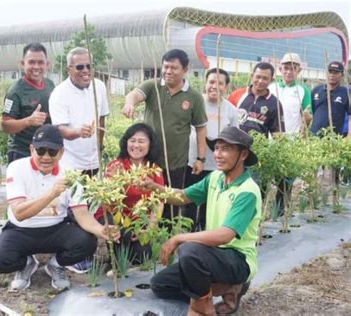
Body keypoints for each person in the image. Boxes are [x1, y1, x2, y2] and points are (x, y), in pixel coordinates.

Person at [141, 126, 262, 315]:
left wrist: (179, 238)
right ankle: (227, 289)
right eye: (217, 149)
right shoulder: (215, 178)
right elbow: (181, 197)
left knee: (189, 250)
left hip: (238, 259)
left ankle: (203, 306)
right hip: (212, 255)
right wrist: (153, 187)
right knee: (161, 284)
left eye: (226, 149)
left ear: (243, 154)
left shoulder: (247, 191)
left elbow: (225, 235)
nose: (218, 155)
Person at [0, 125, 119, 291]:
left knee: (87, 242)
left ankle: (56, 265)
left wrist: (101, 230)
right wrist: (52, 193)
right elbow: (19, 213)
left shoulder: (70, 173)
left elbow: (82, 214)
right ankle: (27, 263)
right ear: (32, 149)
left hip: (55, 229)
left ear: (61, 153)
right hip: (21, 230)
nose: (46, 157)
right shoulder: (17, 168)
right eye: (40, 151)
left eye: (52, 152)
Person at [122, 49, 207, 221]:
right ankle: (142, 240)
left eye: (174, 68)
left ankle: (166, 240)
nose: (168, 71)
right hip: (148, 161)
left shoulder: (194, 97)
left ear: (185, 70)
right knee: (144, 201)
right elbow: (134, 95)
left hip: (175, 163)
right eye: (165, 67)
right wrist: (129, 104)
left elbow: (200, 128)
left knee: (169, 204)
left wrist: (200, 158)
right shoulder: (152, 86)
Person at [93, 123, 164, 264]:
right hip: (114, 216)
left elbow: (159, 201)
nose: (136, 145)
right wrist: (115, 181)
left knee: (142, 256)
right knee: (122, 232)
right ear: (126, 143)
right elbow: (108, 201)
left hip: (138, 221)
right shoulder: (116, 166)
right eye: (132, 140)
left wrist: (149, 229)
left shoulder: (154, 170)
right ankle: (114, 262)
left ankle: (126, 252)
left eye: (141, 141)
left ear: (150, 145)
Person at [186, 68, 238, 231]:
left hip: (217, 168)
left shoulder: (230, 110)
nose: (215, 86)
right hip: (192, 164)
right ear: (205, 83)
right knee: (190, 204)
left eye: (220, 83)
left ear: (226, 87)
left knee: (210, 206)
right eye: (211, 82)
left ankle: (205, 237)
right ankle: (189, 235)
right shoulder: (195, 103)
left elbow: (235, 138)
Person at [49, 47, 109, 177]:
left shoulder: (99, 86)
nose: (86, 70)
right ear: (68, 69)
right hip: (70, 164)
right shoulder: (59, 94)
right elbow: (61, 129)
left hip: (95, 161)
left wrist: (99, 146)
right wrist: (78, 132)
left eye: (89, 66)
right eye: (80, 67)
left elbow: (102, 119)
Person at [268, 53, 312, 216]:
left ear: (299, 70)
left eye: (293, 68)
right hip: (269, 143)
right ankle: (262, 211)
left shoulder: (303, 91)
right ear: (280, 69)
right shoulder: (272, 88)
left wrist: (307, 120)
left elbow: (307, 117)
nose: (289, 71)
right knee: (265, 179)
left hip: (290, 144)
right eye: (286, 68)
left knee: (285, 181)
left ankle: (279, 212)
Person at [2, 43, 55, 163]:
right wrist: (29, 121)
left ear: (47, 65)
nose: (36, 67)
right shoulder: (15, 91)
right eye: (31, 62)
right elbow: (5, 125)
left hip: (45, 150)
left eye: (41, 62)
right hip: (21, 152)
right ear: (22, 64)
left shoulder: (50, 85)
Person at [229, 62, 285, 137]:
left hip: (258, 147)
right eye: (258, 77)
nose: (260, 81)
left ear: (271, 80)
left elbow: (277, 133)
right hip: (234, 145)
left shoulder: (275, 103)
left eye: (265, 78)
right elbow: (226, 120)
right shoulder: (237, 94)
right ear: (252, 76)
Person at [310, 61, 350, 138]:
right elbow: (313, 111)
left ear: (342, 75)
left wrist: (349, 134)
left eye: (336, 72)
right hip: (314, 137)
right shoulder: (316, 90)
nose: (332, 75)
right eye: (330, 71)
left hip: (335, 138)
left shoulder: (346, 93)